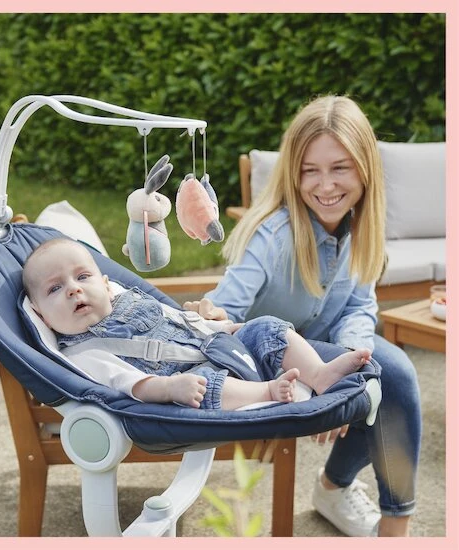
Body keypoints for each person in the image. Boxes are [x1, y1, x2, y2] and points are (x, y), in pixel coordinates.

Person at [186, 95, 421, 536]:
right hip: (270, 363)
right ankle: (383, 524)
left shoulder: (362, 227)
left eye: (339, 168)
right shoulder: (272, 234)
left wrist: (351, 359)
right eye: (310, 170)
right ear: (293, 173)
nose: (325, 185)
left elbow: (359, 308)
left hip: (325, 352)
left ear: (365, 169)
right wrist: (212, 312)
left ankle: (339, 490)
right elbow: (227, 307)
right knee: (393, 375)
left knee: (384, 375)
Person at [21, 237, 372, 411]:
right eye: (55, 289)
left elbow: (182, 321)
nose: (74, 289)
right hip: (193, 380)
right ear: (39, 314)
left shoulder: (130, 301)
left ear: (105, 283)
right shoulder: (85, 352)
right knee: (205, 386)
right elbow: (132, 384)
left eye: (83, 277)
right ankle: (267, 393)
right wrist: (170, 389)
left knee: (268, 327)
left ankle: (319, 373)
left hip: (221, 346)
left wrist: (227, 329)